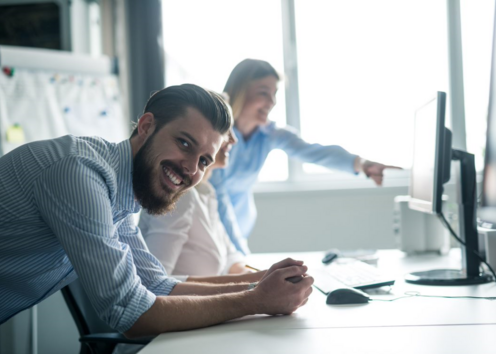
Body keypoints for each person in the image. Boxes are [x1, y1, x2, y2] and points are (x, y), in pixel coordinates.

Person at [0, 84, 313, 338]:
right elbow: (129, 312)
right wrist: (255, 300)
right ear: (147, 126)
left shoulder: (122, 189)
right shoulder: (79, 172)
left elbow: (156, 283)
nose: (192, 169)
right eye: (185, 143)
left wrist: (258, 283)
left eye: (204, 160)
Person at [210, 59, 401, 254]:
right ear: (239, 91)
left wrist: (362, 164)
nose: (272, 102)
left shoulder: (269, 134)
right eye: (263, 93)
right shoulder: (215, 136)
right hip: (211, 224)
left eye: (274, 94)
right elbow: (218, 197)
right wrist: (240, 253)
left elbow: (313, 151)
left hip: (241, 227)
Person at [139, 127, 261, 283]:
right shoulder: (180, 196)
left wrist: (258, 278)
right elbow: (154, 282)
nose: (234, 139)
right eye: (226, 129)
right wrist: (241, 286)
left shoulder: (207, 192)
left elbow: (229, 254)